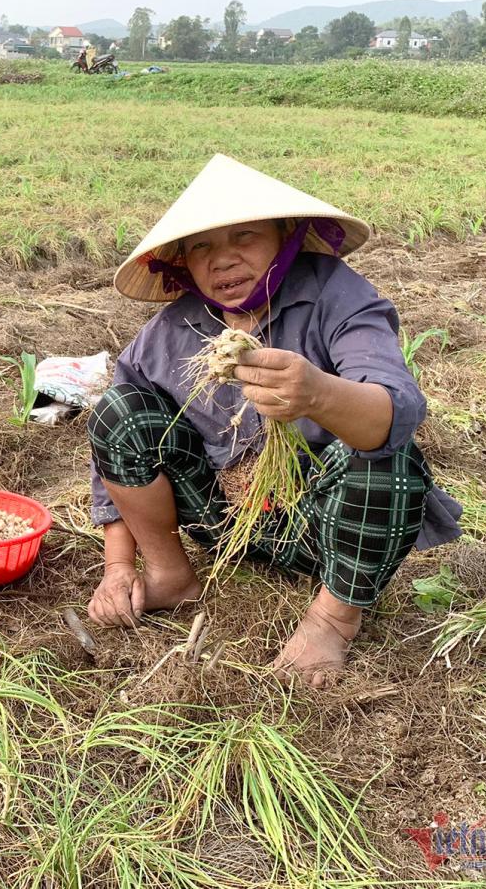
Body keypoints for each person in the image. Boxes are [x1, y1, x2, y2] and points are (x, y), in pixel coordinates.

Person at [86, 154, 461, 686]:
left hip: (331, 527)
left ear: (285, 235)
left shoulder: (338, 296)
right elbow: (114, 444)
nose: (222, 261)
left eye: (245, 236)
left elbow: (395, 412)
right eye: (202, 247)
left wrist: (317, 394)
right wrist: (120, 565)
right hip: (228, 521)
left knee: (389, 458)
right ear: (183, 263)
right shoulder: (172, 330)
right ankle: (171, 574)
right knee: (118, 409)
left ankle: (333, 616)